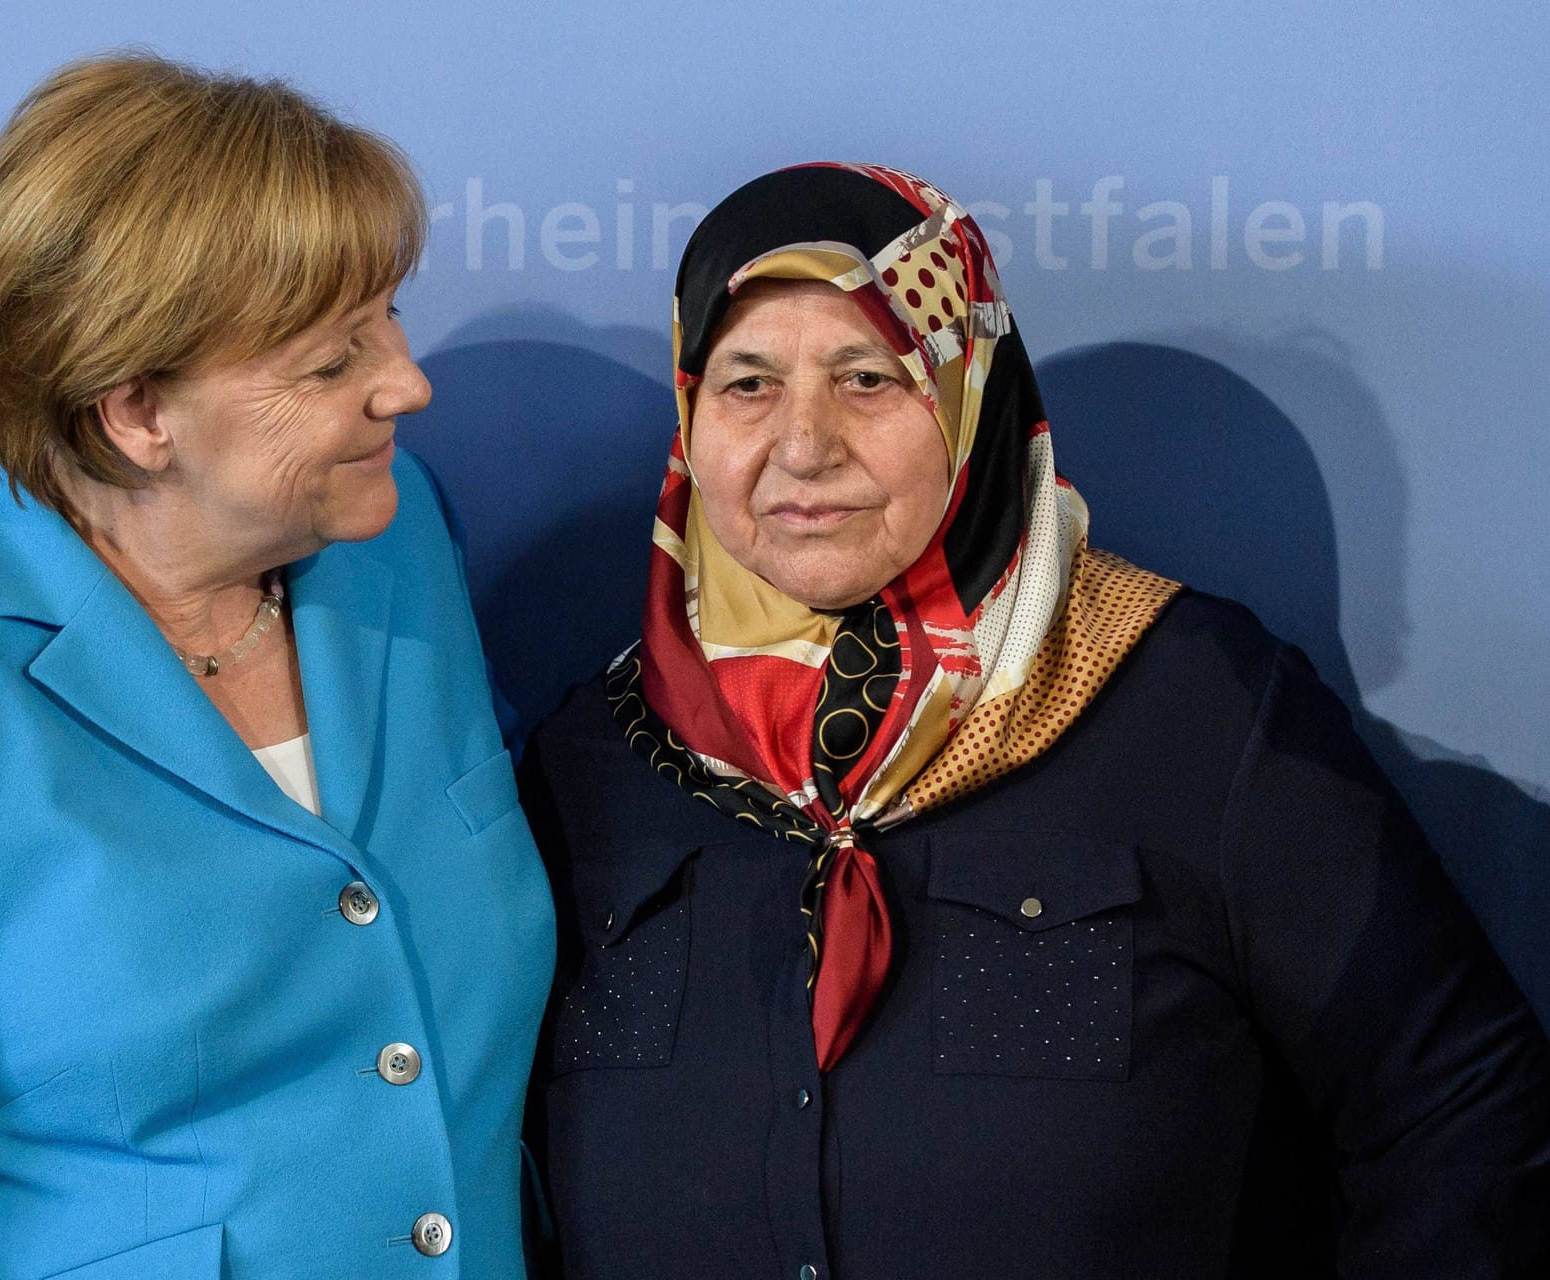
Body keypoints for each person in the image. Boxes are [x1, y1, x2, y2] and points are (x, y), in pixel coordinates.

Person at [520, 162, 1550, 1277]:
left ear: (971, 394)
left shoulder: (1189, 700)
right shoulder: (597, 755)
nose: (803, 445)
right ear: (688, 412)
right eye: (747, 383)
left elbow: (1460, 1114)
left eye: (869, 378)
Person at [0, 54, 552, 1279]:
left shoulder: (393, 534)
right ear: (136, 412)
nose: (407, 383)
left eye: (388, 317)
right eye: (332, 362)